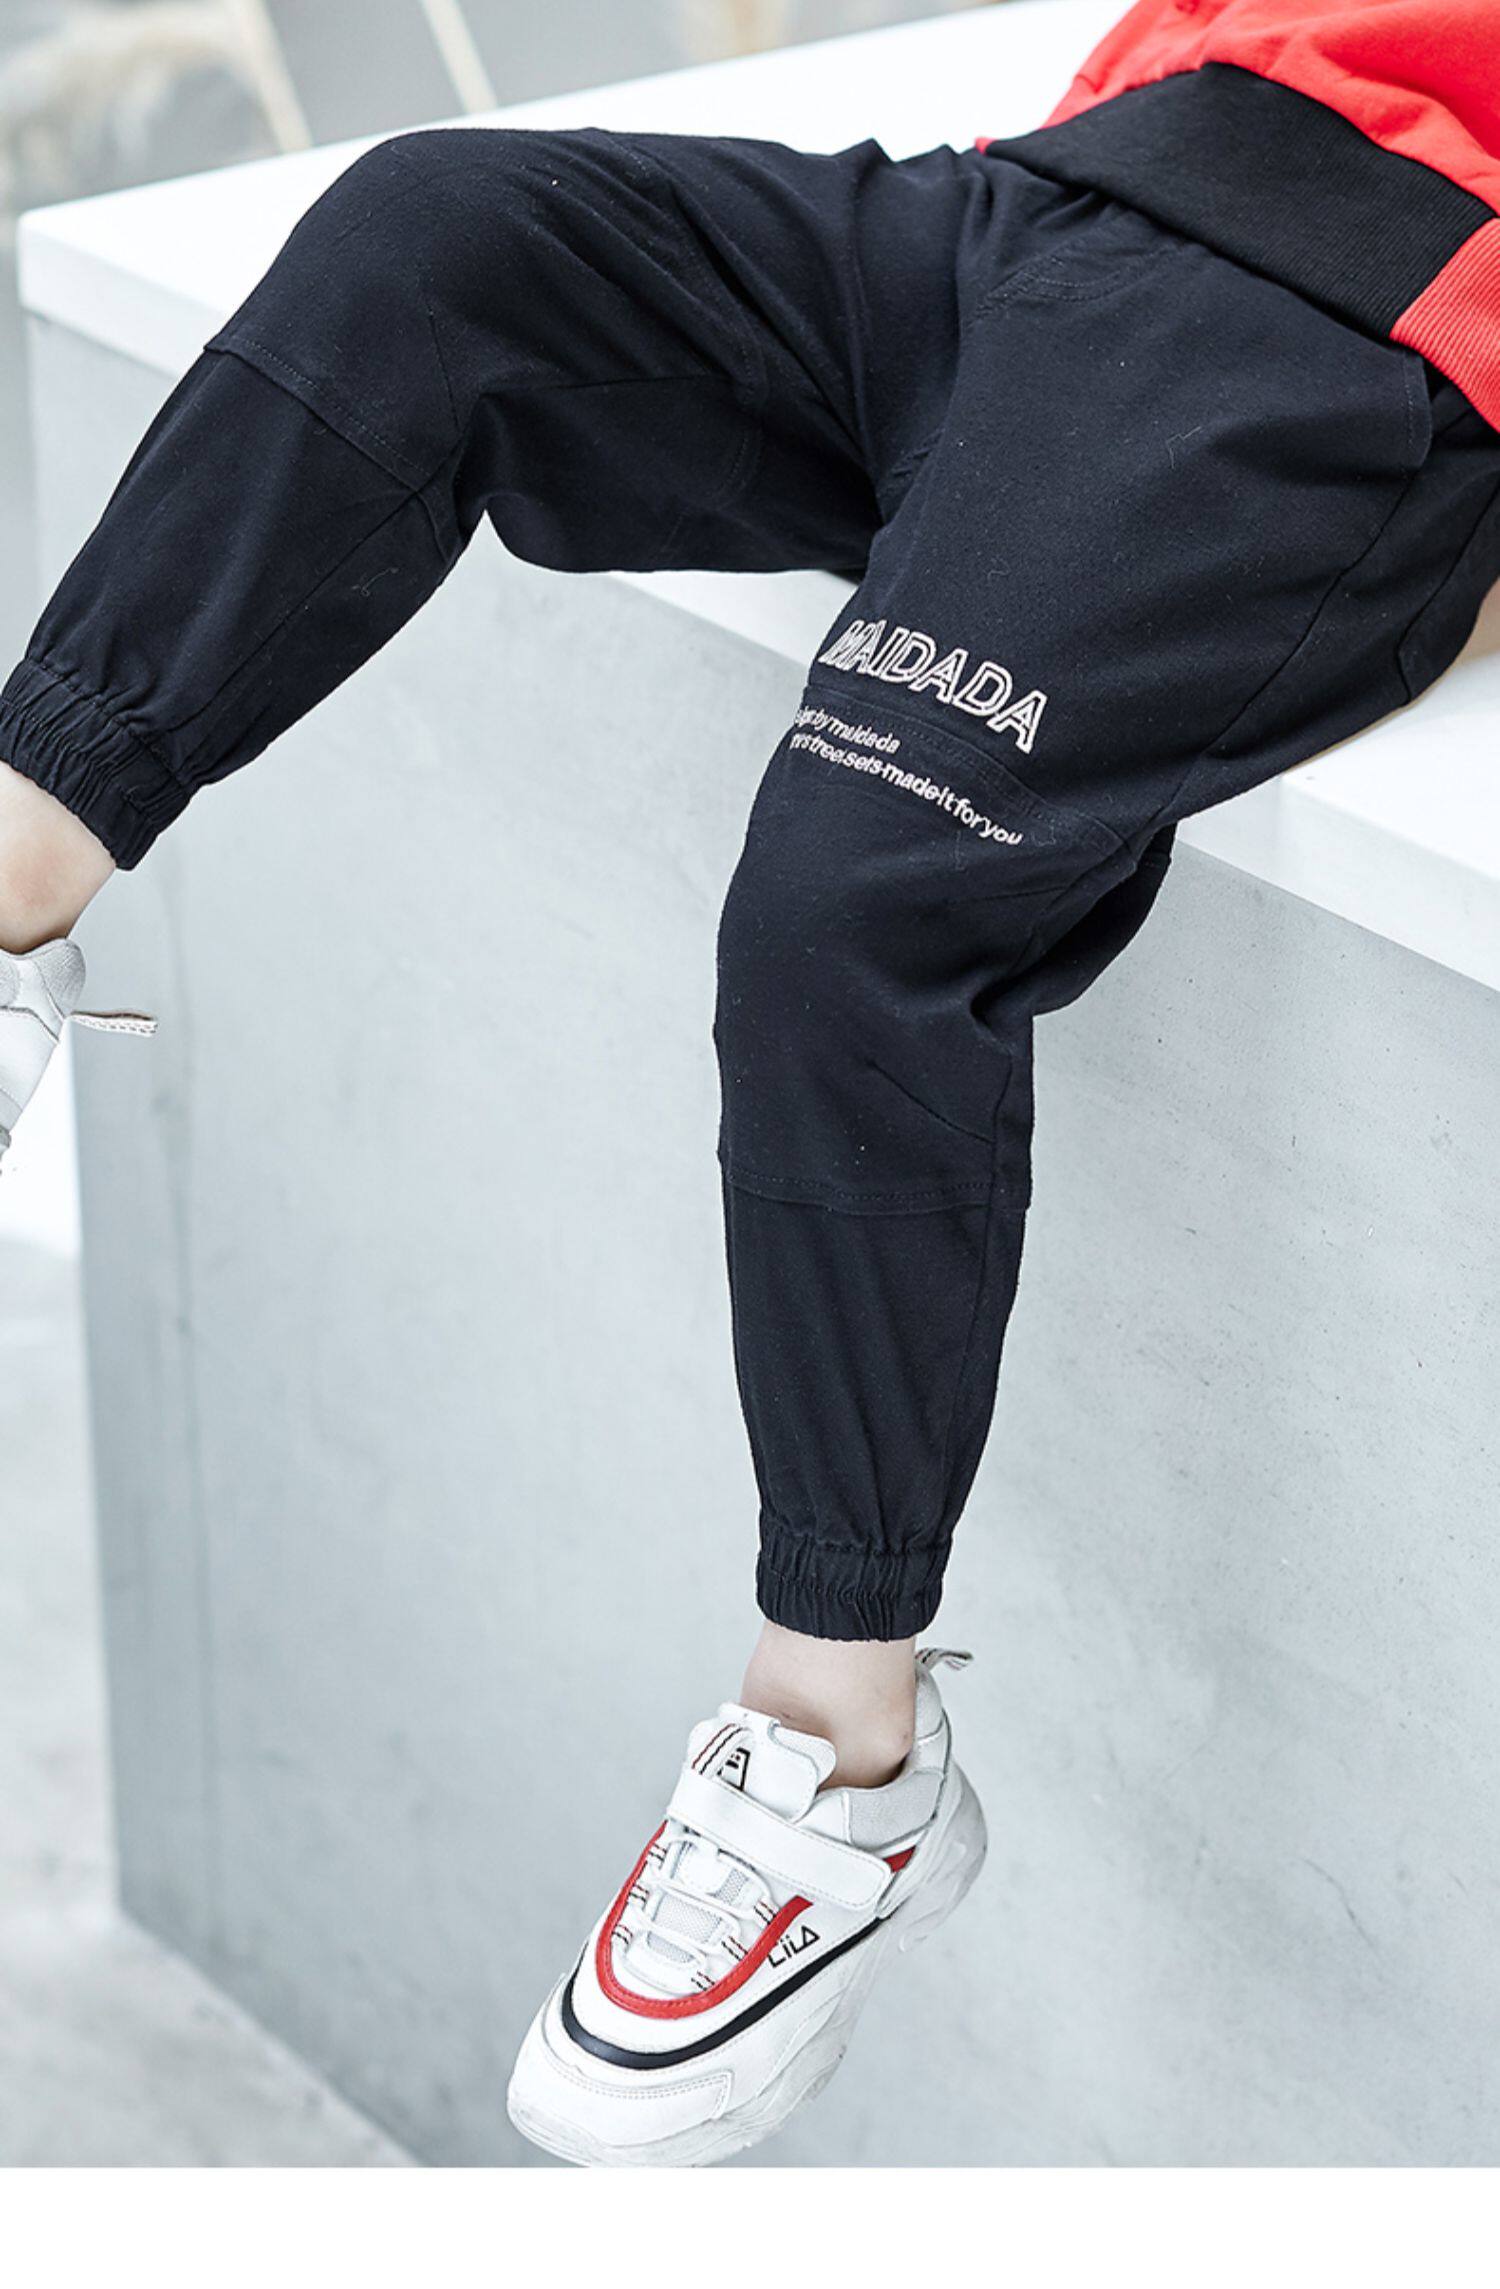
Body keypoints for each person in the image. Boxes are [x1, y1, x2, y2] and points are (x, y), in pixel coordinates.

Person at [3, 0, 1499, 2168]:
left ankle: (842, 1754)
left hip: (1366, 330)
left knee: (846, 895)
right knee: (436, 241)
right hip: (1063, 201)